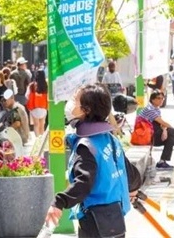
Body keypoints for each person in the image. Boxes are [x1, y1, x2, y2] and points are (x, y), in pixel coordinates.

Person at [44, 84, 142, 237]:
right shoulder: (110, 140)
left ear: (86, 110)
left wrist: (59, 202)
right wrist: (134, 186)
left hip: (93, 221)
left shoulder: (87, 146)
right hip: (114, 218)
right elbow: (129, 171)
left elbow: (84, 182)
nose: (70, 103)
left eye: (75, 100)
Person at [26, 69, 48, 137]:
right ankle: (41, 139)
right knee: (42, 125)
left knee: (36, 125)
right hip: (43, 107)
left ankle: (37, 139)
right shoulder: (46, 85)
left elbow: (27, 95)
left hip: (34, 107)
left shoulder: (31, 85)